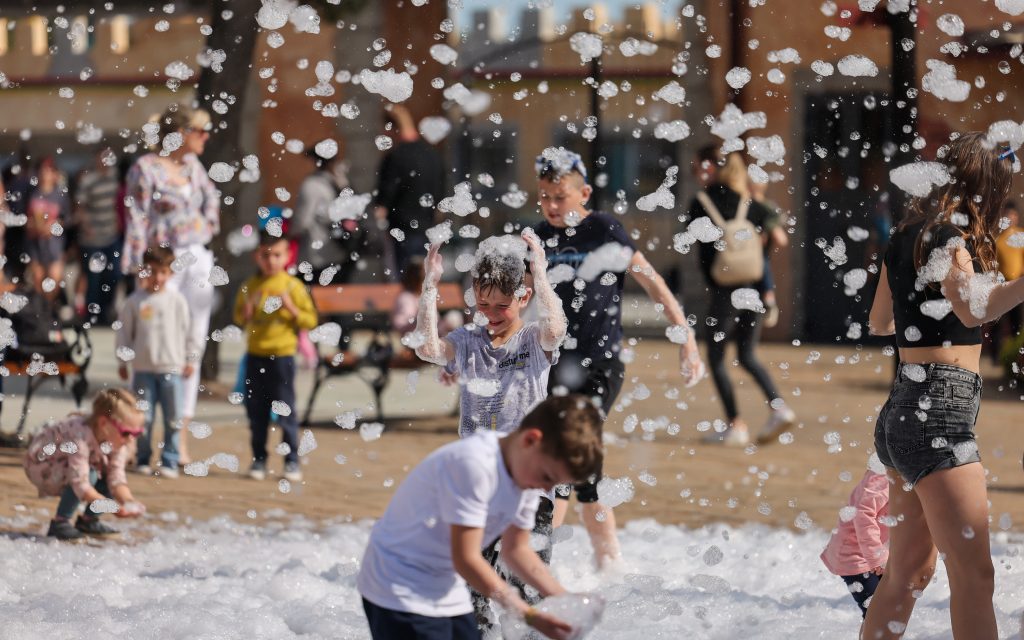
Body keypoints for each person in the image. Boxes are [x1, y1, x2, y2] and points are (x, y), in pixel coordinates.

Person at [864, 132, 1024, 640]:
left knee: (908, 573)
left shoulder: (906, 235)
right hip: (941, 412)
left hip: (902, 411)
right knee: (975, 575)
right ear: (985, 189)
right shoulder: (948, 239)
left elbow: (881, 322)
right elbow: (974, 309)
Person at [531, 147, 705, 569]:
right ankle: (603, 565)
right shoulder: (537, 237)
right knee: (575, 466)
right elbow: (518, 302)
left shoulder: (604, 229)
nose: (551, 206)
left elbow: (652, 281)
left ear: (584, 193)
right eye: (544, 197)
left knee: (565, 453)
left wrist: (687, 338)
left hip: (600, 364)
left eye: (560, 197)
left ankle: (546, 563)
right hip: (553, 365)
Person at [356, 394, 603, 640]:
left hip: (444, 582)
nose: (544, 487)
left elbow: (516, 550)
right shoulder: (474, 465)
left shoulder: (525, 475)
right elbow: (466, 558)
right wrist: (525, 613)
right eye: (548, 477)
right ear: (530, 440)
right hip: (398, 585)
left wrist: (565, 601)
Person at [414, 230, 566, 626]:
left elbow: (557, 328)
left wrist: (541, 273)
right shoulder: (468, 341)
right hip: (480, 479)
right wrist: (430, 284)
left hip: (531, 480)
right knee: (472, 587)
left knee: (525, 582)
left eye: (502, 305)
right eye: (483, 304)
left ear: (523, 298)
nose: (492, 313)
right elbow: (428, 349)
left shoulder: (534, 340)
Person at [123, 103, 220, 465]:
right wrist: (138, 267)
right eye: (199, 130)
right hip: (162, 263)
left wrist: (205, 227)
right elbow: (135, 218)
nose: (206, 137)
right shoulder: (145, 168)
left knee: (192, 342)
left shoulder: (194, 167)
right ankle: (139, 434)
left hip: (195, 258)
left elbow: (211, 199)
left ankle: (178, 438)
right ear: (180, 133)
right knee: (151, 340)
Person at [686, 151, 796, 447]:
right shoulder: (752, 205)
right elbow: (777, 236)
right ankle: (780, 407)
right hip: (754, 290)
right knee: (747, 354)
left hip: (724, 292)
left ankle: (735, 424)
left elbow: (691, 242)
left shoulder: (702, 202)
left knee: (716, 358)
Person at [234, 230, 318, 483]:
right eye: (265, 255)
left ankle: (291, 460)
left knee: (286, 411)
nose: (271, 260)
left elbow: (310, 319)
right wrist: (247, 312)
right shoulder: (250, 285)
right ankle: (259, 458)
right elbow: (238, 318)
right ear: (256, 256)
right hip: (255, 355)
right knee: (256, 411)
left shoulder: (292, 286)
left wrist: (292, 310)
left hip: (282, 358)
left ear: (287, 256)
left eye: (276, 255)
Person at [23, 388, 146, 541]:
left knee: (105, 473)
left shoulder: (117, 441)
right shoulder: (80, 435)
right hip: (42, 465)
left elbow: (117, 478)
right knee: (91, 474)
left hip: (70, 467)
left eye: (137, 434)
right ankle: (60, 523)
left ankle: (88, 522)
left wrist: (128, 501)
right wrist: (110, 506)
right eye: (127, 433)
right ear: (103, 423)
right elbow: (79, 481)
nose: (131, 440)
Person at [116, 245, 197, 478]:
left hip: (171, 367)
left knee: (173, 417)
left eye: (162, 272)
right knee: (145, 417)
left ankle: (170, 459)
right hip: (143, 368)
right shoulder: (135, 302)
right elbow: (124, 333)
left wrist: (191, 358)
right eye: (152, 271)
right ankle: (143, 457)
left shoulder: (177, 301)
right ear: (143, 271)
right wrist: (123, 360)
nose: (157, 278)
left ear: (171, 273)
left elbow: (189, 332)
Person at [373, 104, 445, 280]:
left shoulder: (395, 157)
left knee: (404, 283)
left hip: (401, 233)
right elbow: (442, 200)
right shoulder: (432, 155)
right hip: (428, 230)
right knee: (424, 282)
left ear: (391, 128)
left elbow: (383, 202)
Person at [820, 459, 890, 618]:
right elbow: (863, 513)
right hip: (855, 556)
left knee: (886, 612)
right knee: (877, 615)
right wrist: (876, 556)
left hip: (876, 553)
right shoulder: (885, 473)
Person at [292, 143, 358, 285]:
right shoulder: (342, 181)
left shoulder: (311, 185)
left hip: (316, 256)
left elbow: (301, 223)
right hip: (341, 253)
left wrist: (287, 233)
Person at [73, 148, 123, 325]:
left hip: (111, 236)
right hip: (92, 239)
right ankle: (92, 315)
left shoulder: (114, 177)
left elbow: (119, 202)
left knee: (114, 274)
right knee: (93, 279)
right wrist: (86, 226)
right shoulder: (88, 181)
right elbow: (80, 207)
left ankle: (105, 311)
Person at [25, 156, 70, 299]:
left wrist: (55, 225)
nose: (45, 173)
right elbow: (23, 217)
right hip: (35, 243)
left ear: (55, 174)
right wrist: (31, 225)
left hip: (54, 244)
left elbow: (67, 218)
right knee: (38, 279)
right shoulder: (31, 193)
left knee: (54, 279)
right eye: (42, 170)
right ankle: (41, 313)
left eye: (49, 170)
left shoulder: (60, 195)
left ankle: (49, 310)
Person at [749, 179, 790, 328]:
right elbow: (782, 240)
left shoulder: (759, 207)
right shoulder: (768, 207)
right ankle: (769, 299)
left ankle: (768, 299)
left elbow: (780, 238)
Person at [992, 200, 1024, 365]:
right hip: (1002, 287)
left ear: (1017, 217)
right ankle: (996, 359)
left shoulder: (1021, 236)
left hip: (1019, 286)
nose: (1010, 218)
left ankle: (1015, 357)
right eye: (1007, 215)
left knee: (1017, 324)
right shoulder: (998, 240)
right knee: (997, 323)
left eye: (1013, 215)